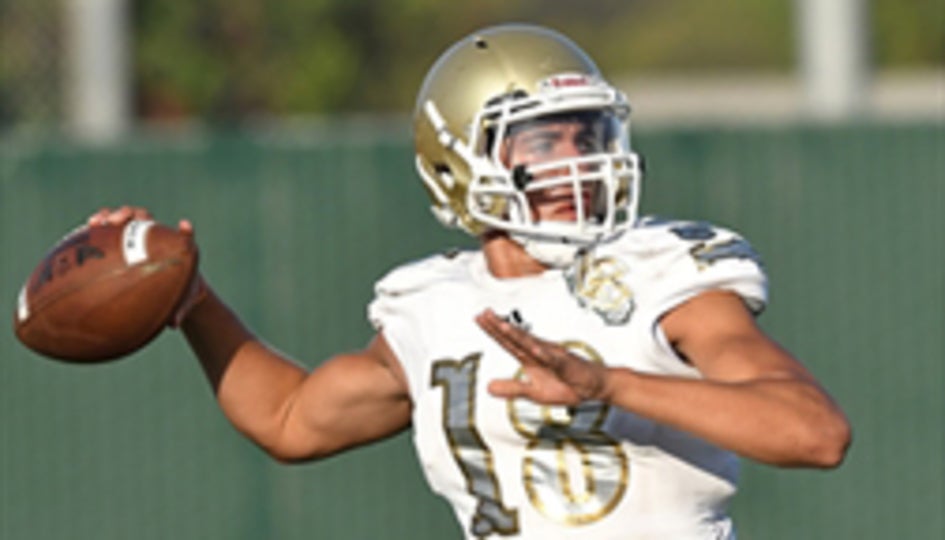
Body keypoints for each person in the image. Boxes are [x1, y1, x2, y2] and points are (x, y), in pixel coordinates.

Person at [90, 23, 850, 540]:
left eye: (586, 136)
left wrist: (608, 385)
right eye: (544, 141)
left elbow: (814, 434)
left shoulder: (661, 273)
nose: (576, 162)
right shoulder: (432, 306)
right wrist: (191, 303)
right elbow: (290, 419)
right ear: (461, 163)